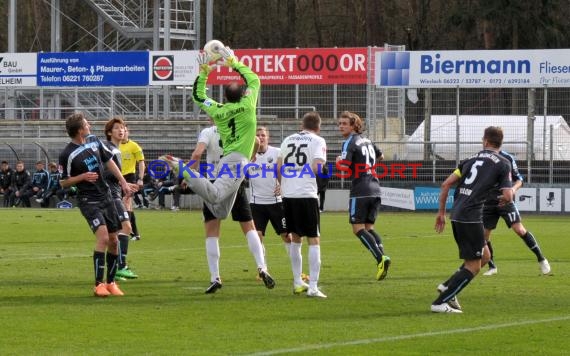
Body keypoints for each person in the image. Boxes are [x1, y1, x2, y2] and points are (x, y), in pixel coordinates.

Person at [162, 46, 274, 292]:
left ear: (224, 97)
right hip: (235, 164)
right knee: (216, 199)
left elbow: (198, 96)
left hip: (227, 165)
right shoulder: (248, 106)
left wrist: (204, 71)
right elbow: (254, 78)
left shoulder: (218, 111)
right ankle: (181, 168)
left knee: (218, 214)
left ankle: (219, 276)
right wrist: (233, 61)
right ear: (245, 94)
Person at [431, 126, 513, 313]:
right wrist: (503, 199)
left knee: (485, 256)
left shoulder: (470, 160)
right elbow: (508, 195)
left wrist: (441, 213)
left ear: (485, 141)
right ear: (501, 142)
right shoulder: (503, 163)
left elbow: (446, 184)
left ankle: (447, 285)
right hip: (472, 216)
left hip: (457, 214)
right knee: (474, 266)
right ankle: (441, 302)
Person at [188, 123, 274, 293]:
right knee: (249, 226)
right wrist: (251, 157)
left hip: (214, 182)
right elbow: (256, 140)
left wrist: (190, 174)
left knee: (212, 230)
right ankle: (262, 267)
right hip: (235, 180)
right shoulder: (239, 129)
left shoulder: (208, 131)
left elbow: (197, 153)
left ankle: (215, 277)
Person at [58, 112, 136, 297]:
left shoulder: (94, 141)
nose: (89, 125)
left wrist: (123, 183)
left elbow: (109, 161)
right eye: (86, 124)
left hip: (107, 197)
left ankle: (111, 283)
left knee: (114, 241)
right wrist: (82, 177)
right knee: (103, 238)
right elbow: (63, 182)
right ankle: (98, 284)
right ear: (79, 130)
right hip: (89, 201)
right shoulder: (67, 154)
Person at [248, 126, 309, 284]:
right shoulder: (248, 154)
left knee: (287, 236)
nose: (260, 138)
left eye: (263, 135)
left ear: (268, 138)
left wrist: (282, 185)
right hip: (256, 203)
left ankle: (299, 272)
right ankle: (262, 270)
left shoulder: (276, 153)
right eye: (258, 135)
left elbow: (287, 170)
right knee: (258, 237)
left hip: (277, 203)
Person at [277, 111, 327, 298]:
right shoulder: (318, 141)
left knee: (296, 238)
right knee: (313, 239)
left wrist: (284, 187)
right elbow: (317, 168)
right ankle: (313, 286)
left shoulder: (287, 139)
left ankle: (298, 281)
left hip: (288, 195)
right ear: (318, 127)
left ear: (302, 124)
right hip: (306, 194)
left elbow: (279, 168)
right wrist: (320, 182)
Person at [337, 111, 391, 281]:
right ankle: (382, 257)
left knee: (358, 229)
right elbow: (381, 156)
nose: (341, 126)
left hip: (360, 190)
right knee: (369, 228)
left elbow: (344, 167)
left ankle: (379, 258)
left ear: (354, 125)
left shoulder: (350, 142)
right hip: (375, 187)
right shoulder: (368, 140)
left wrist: (338, 161)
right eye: (340, 123)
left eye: (345, 123)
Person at [482, 150, 550, 276]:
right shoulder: (482, 158)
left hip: (505, 200)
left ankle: (541, 259)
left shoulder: (507, 158)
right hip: (488, 202)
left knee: (519, 230)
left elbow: (519, 179)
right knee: (484, 235)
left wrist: (512, 190)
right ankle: (492, 267)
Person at [104, 117, 139, 280]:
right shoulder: (109, 149)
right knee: (125, 227)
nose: (121, 130)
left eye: (123, 128)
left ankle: (118, 267)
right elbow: (106, 173)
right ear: (110, 132)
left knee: (118, 231)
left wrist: (125, 185)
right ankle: (120, 266)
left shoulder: (116, 150)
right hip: (110, 194)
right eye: (117, 128)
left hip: (115, 191)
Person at [120, 124, 145, 240]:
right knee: (126, 206)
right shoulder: (116, 145)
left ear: (128, 132)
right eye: (121, 131)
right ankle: (135, 233)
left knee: (126, 202)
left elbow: (141, 162)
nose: (123, 133)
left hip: (130, 177)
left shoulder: (134, 146)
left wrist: (140, 178)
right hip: (119, 178)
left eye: (125, 131)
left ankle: (126, 230)